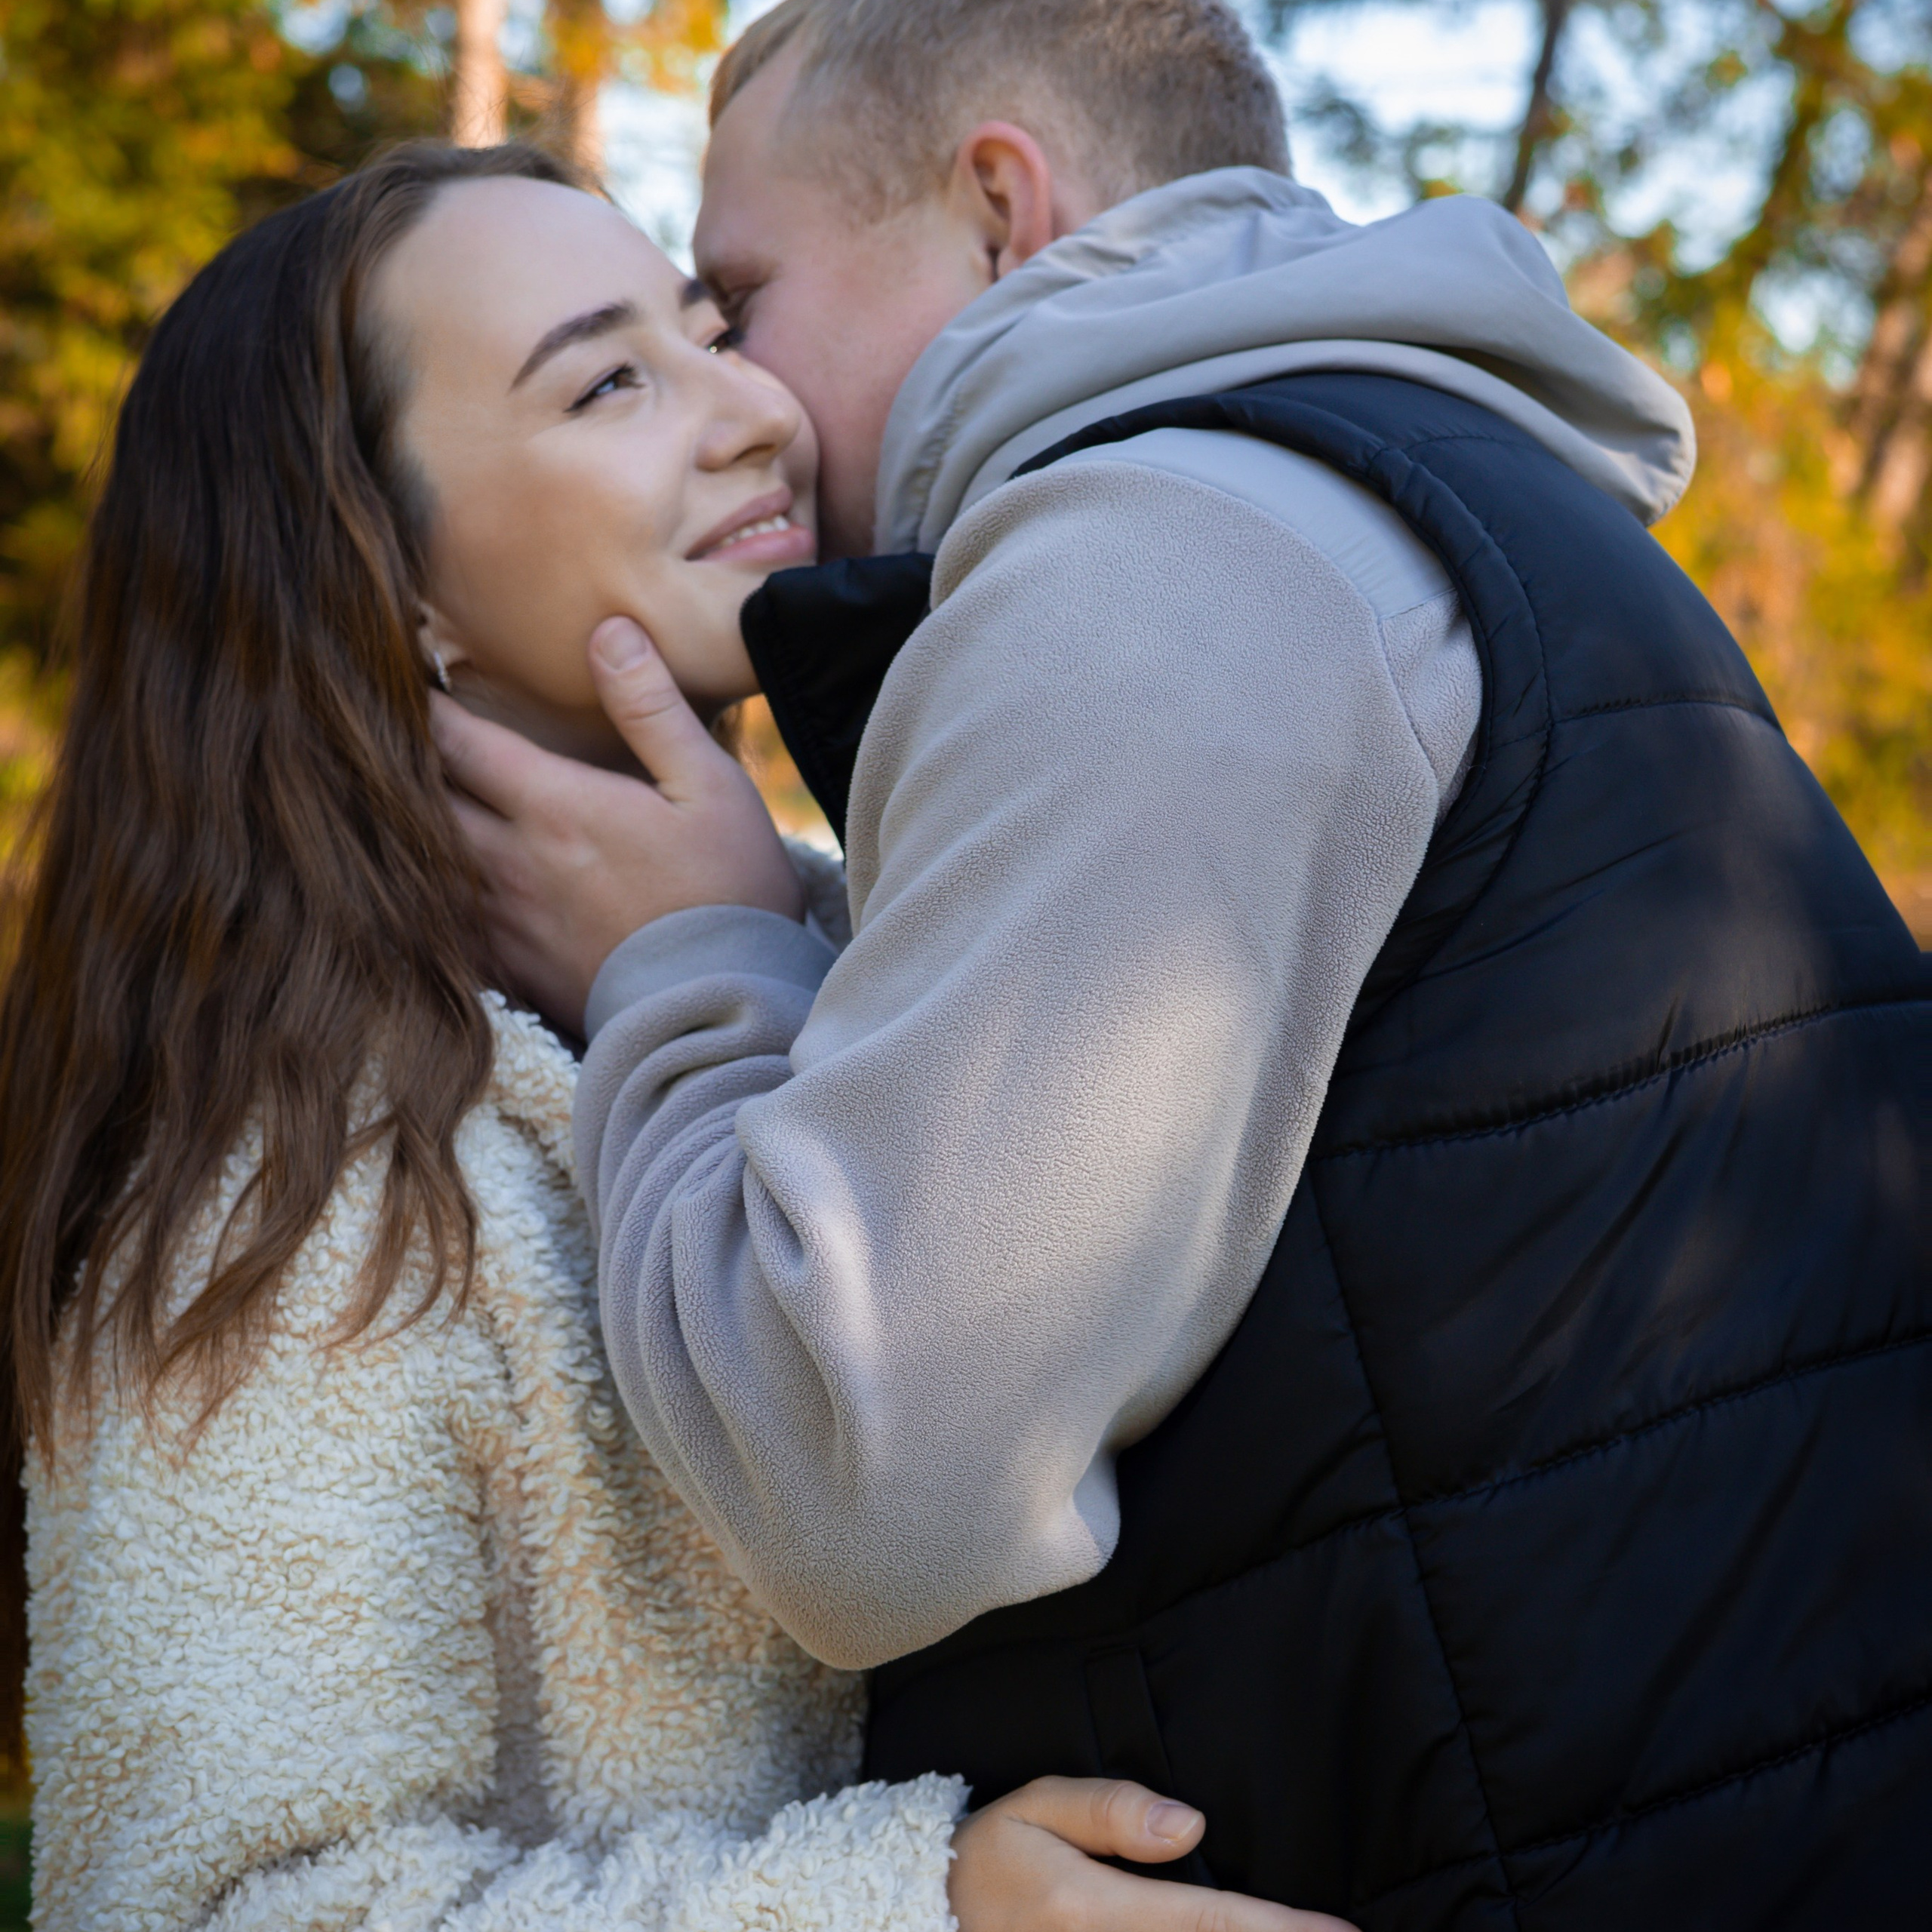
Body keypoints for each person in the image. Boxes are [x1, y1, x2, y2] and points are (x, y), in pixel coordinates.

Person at [440, 0, 1932, 1924]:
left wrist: (692, 952)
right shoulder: (1448, 502)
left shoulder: (1155, 562)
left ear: (997, 207)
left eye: (740, 296)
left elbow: (865, 1474)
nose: (750, 394)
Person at [0, 141, 1349, 1932]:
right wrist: (918, 1908)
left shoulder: (857, 941)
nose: (753, 413)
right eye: (609, 380)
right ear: (382, 571)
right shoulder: (286, 1186)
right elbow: (222, 1905)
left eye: (712, 329)